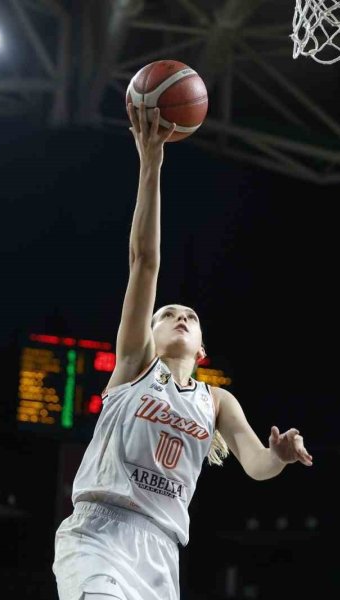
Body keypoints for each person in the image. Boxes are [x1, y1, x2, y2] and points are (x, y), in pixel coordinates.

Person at [52, 102, 314, 600]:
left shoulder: (215, 402)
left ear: (201, 350)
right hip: (99, 533)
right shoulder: (133, 366)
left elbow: (256, 465)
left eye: (190, 317)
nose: (180, 317)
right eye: (168, 313)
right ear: (148, 333)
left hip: (161, 551)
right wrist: (151, 163)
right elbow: (144, 262)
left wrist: (278, 457)